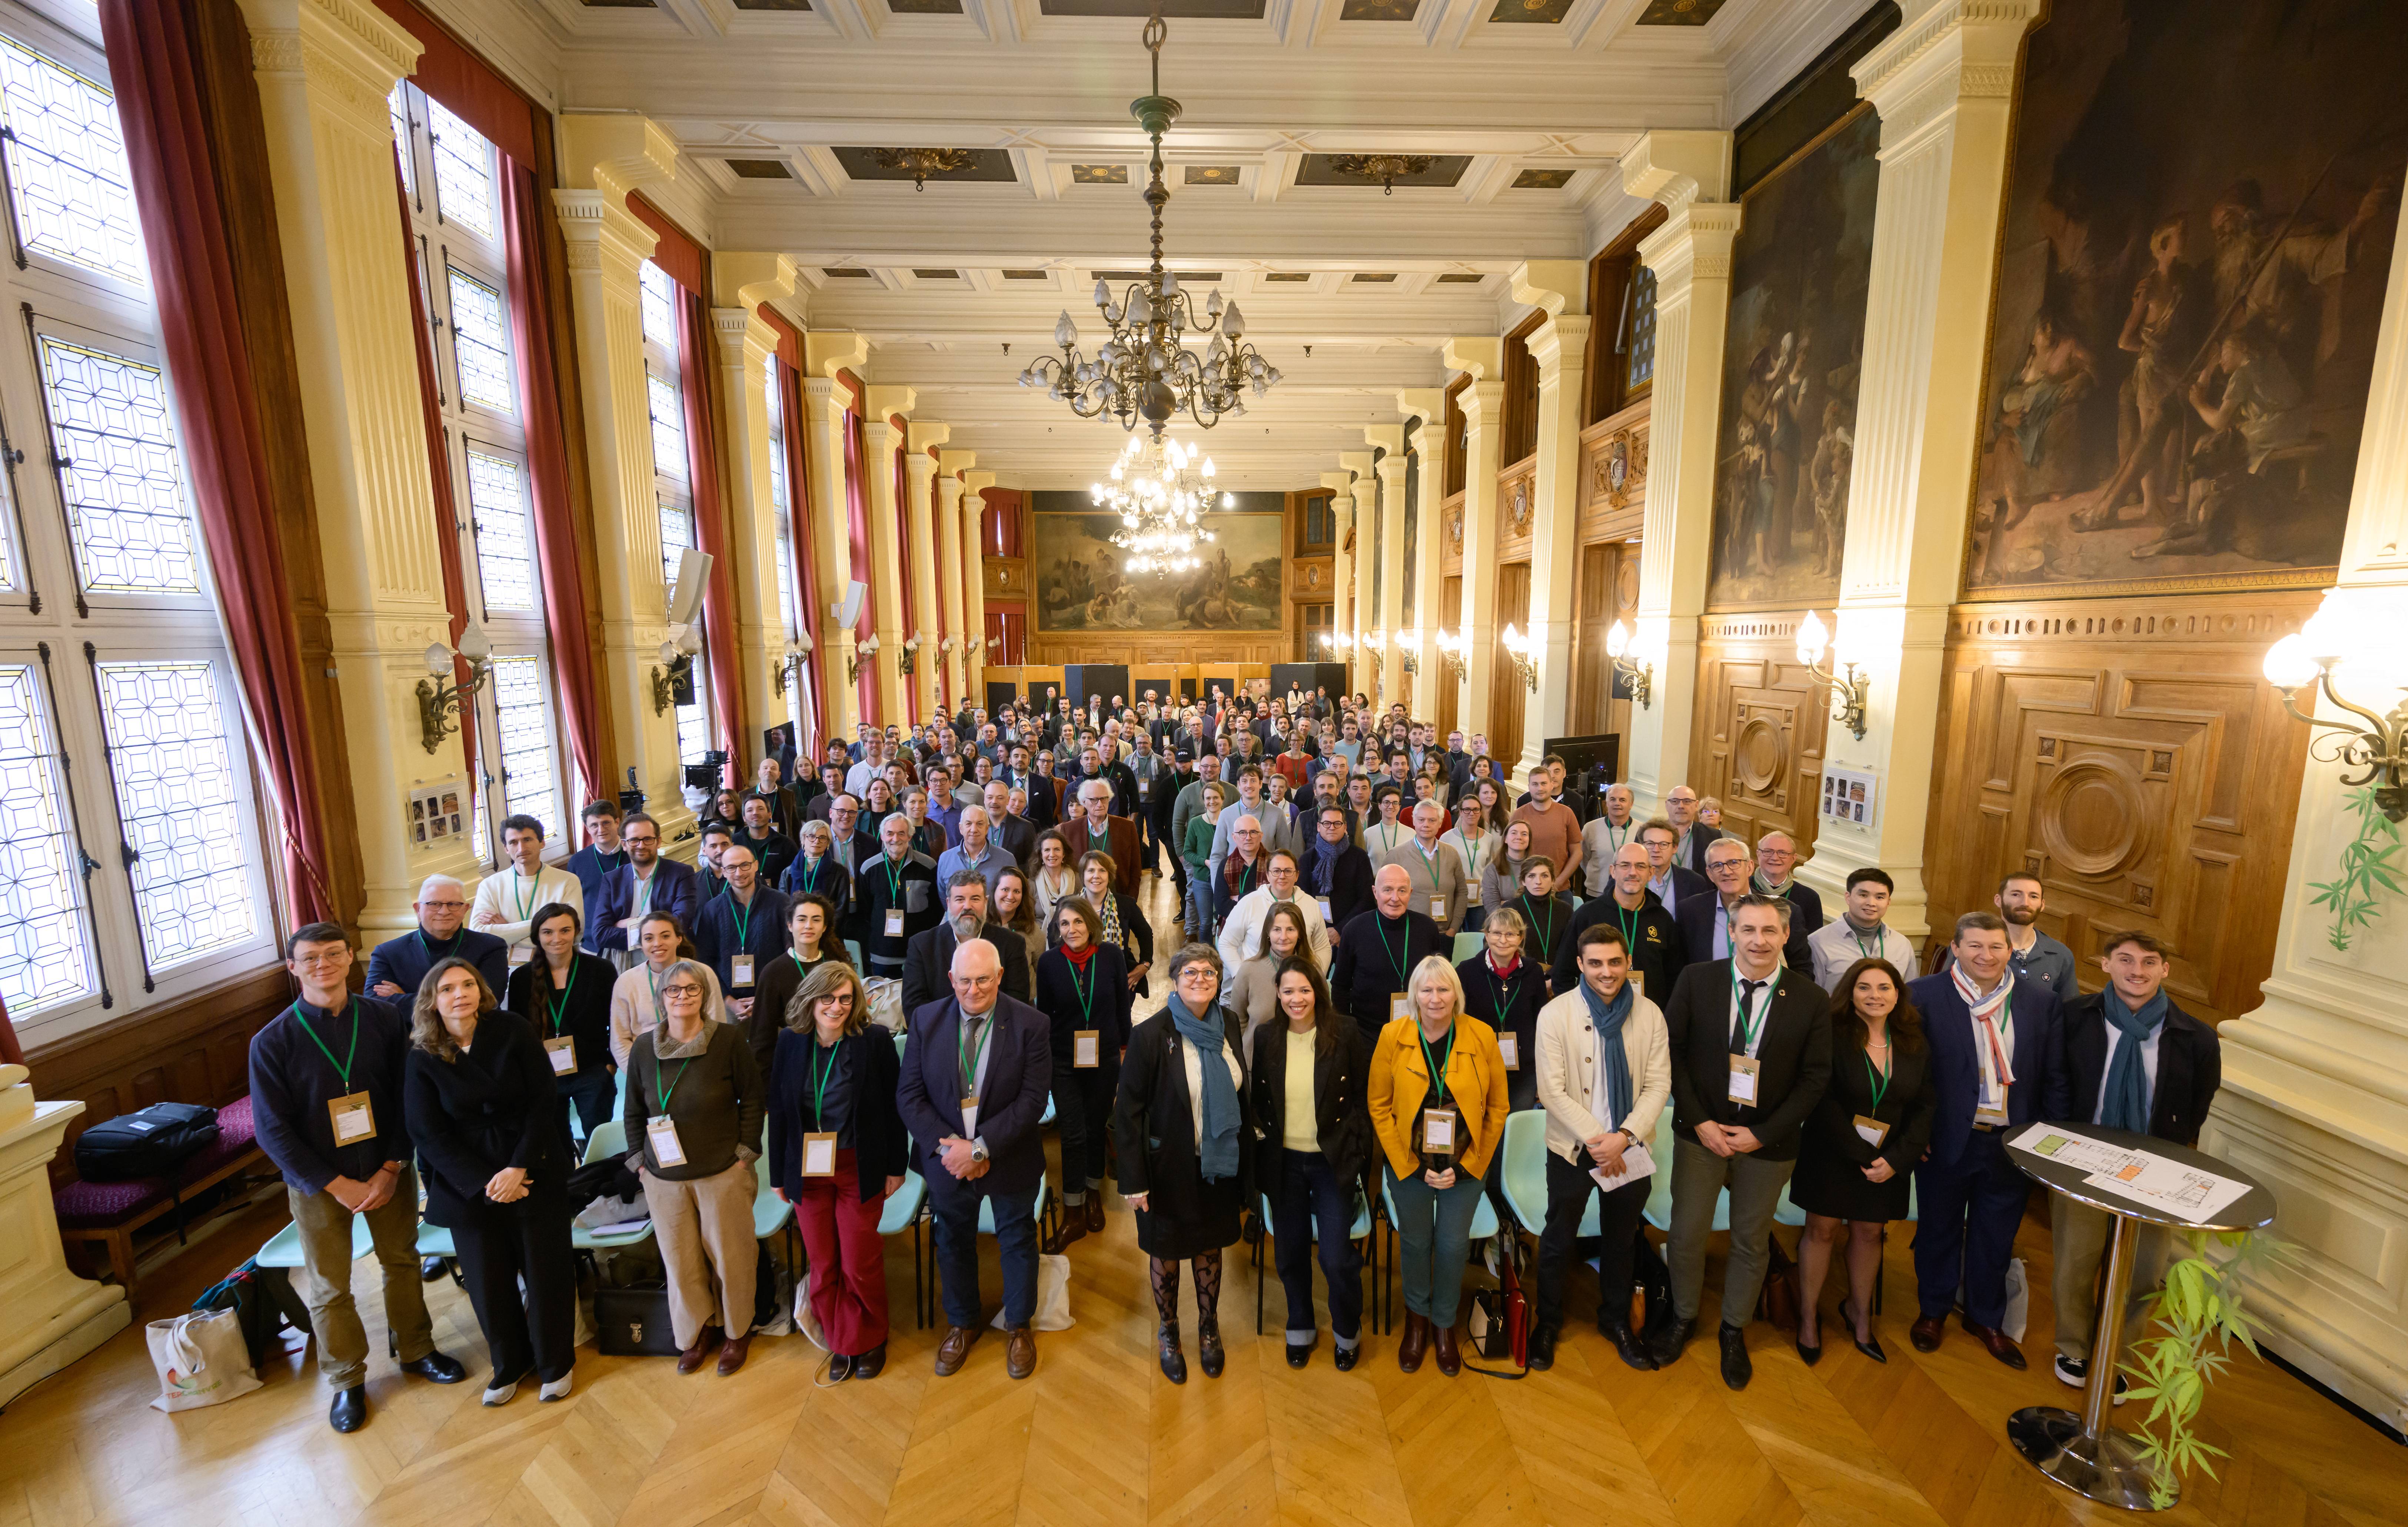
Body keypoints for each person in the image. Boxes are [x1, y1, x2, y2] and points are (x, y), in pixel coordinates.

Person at [252, 924, 466, 1431]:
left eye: (333, 954)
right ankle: (347, 1380)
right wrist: (334, 1183)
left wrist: (392, 1166)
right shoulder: (272, 1041)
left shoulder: (385, 1020)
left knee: (403, 1261)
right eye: (310, 958)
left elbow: (408, 1096)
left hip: (385, 1169)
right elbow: (272, 1131)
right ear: (293, 967)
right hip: (319, 1184)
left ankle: (416, 1349)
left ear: (351, 958)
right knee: (330, 1286)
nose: (322, 965)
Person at [1654, 894, 1832, 1389]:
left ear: (1786, 935)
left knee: (1751, 1240)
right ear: (1732, 932)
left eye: (1770, 931)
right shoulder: (1697, 979)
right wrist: (1701, 1121)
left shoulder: (1810, 999)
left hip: (1769, 1143)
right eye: (1748, 930)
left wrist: (1762, 1133)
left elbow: (1815, 1079)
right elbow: (1673, 1053)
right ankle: (1684, 1316)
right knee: (1687, 1231)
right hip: (1700, 1133)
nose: (1759, 940)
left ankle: (1734, 1329)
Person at [2049, 929, 2219, 1395]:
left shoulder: (2195, 1036)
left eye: (2148, 962)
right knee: (2075, 1259)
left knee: (2144, 1269)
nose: (2136, 971)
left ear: (2164, 970)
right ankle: (2074, 1346)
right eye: (2125, 960)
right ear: (2105, 965)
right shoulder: (2073, 1019)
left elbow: (2196, 1105)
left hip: (2156, 1168)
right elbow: (2056, 1082)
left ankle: (2118, 1353)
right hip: (2083, 1157)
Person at [404, 957, 576, 1405]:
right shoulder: (423, 1053)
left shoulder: (512, 1028)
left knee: (546, 1271)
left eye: (468, 984)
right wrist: (487, 1182)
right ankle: (510, 1363)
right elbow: (428, 1133)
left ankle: (556, 1363)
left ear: (481, 991)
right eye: (447, 988)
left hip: (531, 1162)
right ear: (432, 1000)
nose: (459, 994)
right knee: (487, 1279)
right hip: (468, 1178)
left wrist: (518, 1168)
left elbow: (544, 1100)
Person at [1906, 912, 2068, 1369]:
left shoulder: (2039, 1001)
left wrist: (2046, 1142)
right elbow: (1911, 1074)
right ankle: (1933, 1310)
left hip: (2011, 1143)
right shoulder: (1924, 996)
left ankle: (1985, 1318)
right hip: (1945, 1140)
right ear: (1955, 948)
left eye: (1995, 947)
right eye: (1974, 946)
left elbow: (2054, 1077)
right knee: (1937, 1229)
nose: (1985, 955)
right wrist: (1914, 1133)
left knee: (1995, 1237)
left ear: (2009, 952)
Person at [897, 939, 1050, 1379]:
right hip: (947, 1158)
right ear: (951, 980)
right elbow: (909, 1095)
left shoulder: (1031, 1024)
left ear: (999, 976)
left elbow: (1033, 1100)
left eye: (983, 979)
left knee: (1017, 1238)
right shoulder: (925, 1020)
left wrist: (981, 1148)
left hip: (1008, 1154)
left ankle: (1019, 1325)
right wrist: (952, 1150)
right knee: (952, 1240)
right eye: (964, 980)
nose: (973, 989)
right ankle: (962, 1323)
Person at [1529, 924, 1672, 1371]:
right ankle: (1547, 1322)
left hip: (1629, 1149)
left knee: (1622, 1239)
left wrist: (1624, 1137)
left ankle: (1615, 1320)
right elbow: (1551, 1092)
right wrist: (1599, 1139)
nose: (1606, 971)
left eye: (1614, 961)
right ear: (1579, 964)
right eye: (1595, 962)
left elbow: (1658, 1084)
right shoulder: (1554, 1014)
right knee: (1557, 1238)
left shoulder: (1649, 1014)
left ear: (1627, 961)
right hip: (1573, 1149)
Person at [1114, 943, 1254, 1383]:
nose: (1200, 979)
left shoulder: (1228, 1022)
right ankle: (1169, 1329)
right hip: (1166, 1167)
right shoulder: (1152, 1034)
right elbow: (1128, 1111)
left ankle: (1208, 1325)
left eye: (1209, 972)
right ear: (1174, 980)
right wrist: (1134, 1181)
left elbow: (1240, 1092)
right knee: (1168, 1252)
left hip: (1216, 1164)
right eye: (1190, 972)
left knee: (1209, 1245)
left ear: (1218, 979)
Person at [623, 957, 766, 1377]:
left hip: (722, 1171)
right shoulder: (643, 1048)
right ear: (661, 997)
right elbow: (633, 1108)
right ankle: (697, 1332)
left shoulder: (727, 1039)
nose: (682, 996)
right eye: (674, 990)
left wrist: (745, 1156)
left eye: (692, 989)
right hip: (663, 1178)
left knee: (732, 1258)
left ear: (704, 996)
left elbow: (753, 1100)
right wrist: (638, 1162)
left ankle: (738, 1331)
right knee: (680, 1261)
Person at [767, 962, 908, 1382]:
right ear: (810, 1000)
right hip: (807, 1170)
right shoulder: (790, 1044)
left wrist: (895, 1167)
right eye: (827, 998)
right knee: (824, 1260)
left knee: (859, 1259)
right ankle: (841, 1339)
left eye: (845, 998)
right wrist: (778, 1174)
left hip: (857, 1166)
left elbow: (892, 1110)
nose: (837, 1006)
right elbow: (779, 1113)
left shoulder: (875, 1041)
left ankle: (870, 1338)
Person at [1790, 958, 1934, 1367]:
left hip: (1888, 1159)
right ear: (1849, 992)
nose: (1875, 995)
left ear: (1898, 993)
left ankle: (1859, 1316)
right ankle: (1807, 1319)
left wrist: (1895, 1159)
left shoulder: (1912, 1039)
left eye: (1884, 987)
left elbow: (1924, 1104)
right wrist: (1864, 1155)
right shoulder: (1831, 1035)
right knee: (1821, 1230)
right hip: (1831, 1151)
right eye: (1864, 987)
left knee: (1870, 1233)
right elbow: (1821, 1099)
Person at [1369, 955, 1509, 1376]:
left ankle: (1444, 1325)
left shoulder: (1481, 1034)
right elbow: (1379, 1105)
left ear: (1456, 994)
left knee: (1450, 1246)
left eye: (1443, 989)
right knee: (1415, 1244)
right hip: (1409, 1165)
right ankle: (1417, 1320)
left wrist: (1470, 1165)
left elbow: (1498, 1107)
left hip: (1465, 1166)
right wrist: (1407, 1164)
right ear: (1414, 995)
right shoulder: (1393, 1034)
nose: (1435, 998)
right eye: (1426, 990)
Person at [1249, 957, 1371, 1369]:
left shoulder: (1346, 1033)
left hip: (1331, 1162)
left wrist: (1356, 1154)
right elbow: (1259, 1103)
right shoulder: (1267, 1037)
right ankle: (1300, 1324)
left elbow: (1362, 1099)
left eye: (1304, 989)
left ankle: (1346, 1330)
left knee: (1336, 1257)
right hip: (1284, 1164)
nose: (1296, 998)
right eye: (1287, 991)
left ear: (1318, 990)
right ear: (1278, 995)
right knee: (1289, 1252)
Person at [1034, 896, 1134, 1251]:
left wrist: (1126, 1051)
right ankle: (1073, 1212)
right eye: (1064, 924)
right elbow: (1044, 1016)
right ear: (1057, 929)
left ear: (1090, 923)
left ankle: (1093, 1194)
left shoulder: (1111, 957)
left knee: (1095, 1128)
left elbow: (1123, 1006)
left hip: (1105, 1056)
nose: (1071, 930)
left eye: (1078, 922)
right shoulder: (1048, 963)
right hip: (1063, 1059)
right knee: (1073, 1133)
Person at [504, 904, 618, 1144]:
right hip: (543, 1075)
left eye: (565, 930)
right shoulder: (521, 978)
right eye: (548, 932)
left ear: (576, 931)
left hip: (592, 1072)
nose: (557, 939)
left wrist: (610, 1065)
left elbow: (616, 1022)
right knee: (555, 1145)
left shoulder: (601, 969)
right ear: (537, 936)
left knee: (600, 1141)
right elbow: (517, 1032)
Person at [1331, 864, 1451, 1043]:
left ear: (1410, 892)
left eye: (1402, 891)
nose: (1395, 898)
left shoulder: (1427, 928)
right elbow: (1340, 987)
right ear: (1375, 892)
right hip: (1367, 1033)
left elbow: (1439, 981)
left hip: (1419, 1029)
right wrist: (1349, 1030)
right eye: (1388, 890)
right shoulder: (1355, 929)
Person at [1560, 842, 1686, 1002]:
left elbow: (1675, 978)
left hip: (1649, 1020)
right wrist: (1579, 1014)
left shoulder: (1663, 919)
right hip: (1595, 1020)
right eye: (1625, 865)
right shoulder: (1587, 915)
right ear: (1613, 871)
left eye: (1641, 866)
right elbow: (1563, 975)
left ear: (1651, 873)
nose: (1633, 872)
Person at [1928, 870, 2082, 1002]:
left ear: (2042, 905)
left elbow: (2070, 1010)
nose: (2025, 903)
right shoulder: (1970, 947)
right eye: (2016, 894)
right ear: (1998, 900)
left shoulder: (2060, 954)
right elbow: (1945, 994)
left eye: (2033, 897)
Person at [746, 892, 851, 1078]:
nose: (809, 926)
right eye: (802, 919)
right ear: (790, 925)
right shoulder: (773, 972)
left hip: (839, 1057)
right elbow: (762, 1039)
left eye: (816, 920)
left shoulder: (838, 964)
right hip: (795, 1061)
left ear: (825, 927)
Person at [1458, 906, 1548, 1112]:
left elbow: (1542, 1023)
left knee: (1514, 1127)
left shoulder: (1533, 971)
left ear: (1521, 937)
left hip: (1524, 1069)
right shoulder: (1466, 970)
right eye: (1497, 933)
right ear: (1487, 934)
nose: (1503, 940)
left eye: (1510, 934)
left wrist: (1543, 1075)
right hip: (1478, 1064)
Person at [903, 870, 1034, 1012]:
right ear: (948, 903)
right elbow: (914, 1007)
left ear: (986, 902)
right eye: (960, 899)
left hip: (995, 1031)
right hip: (940, 1032)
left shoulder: (1012, 944)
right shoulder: (922, 946)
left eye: (975, 899)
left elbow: (1017, 1003)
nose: (967, 906)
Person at [1680, 836, 1813, 976]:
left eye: (1734, 863)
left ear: (1749, 867)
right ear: (1710, 874)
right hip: (1709, 995)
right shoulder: (1691, 910)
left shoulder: (1786, 912)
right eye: (1717, 866)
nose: (1727, 871)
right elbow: (1681, 968)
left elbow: (1802, 971)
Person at [692, 845, 789, 1036]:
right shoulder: (712, 910)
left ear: (756, 866)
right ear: (724, 871)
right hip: (728, 1005)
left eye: (745, 865)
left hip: (773, 1002)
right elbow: (705, 961)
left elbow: (789, 954)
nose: (739, 873)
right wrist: (729, 1001)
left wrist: (764, 998)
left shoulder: (781, 903)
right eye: (731, 868)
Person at [608, 911, 726, 1065]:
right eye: (649, 938)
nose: (657, 944)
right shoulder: (626, 982)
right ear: (641, 945)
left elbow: (718, 1026)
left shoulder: (703, 973)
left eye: (665, 936)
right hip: (648, 1068)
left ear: (679, 939)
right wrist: (640, 1075)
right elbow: (620, 1040)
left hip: (698, 1063)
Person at [366, 875, 509, 999]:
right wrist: (458, 1001)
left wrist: (405, 998)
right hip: (410, 1032)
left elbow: (489, 999)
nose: (444, 912)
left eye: (453, 904)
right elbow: (377, 1003)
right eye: (434, 904)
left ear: (465, 910)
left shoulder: (491, 947)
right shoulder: (388, 953)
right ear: (418, 910)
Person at [472, 815, 583, 966]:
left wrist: (507, 929)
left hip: (557, 966)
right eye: (513, 842)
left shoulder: (568, 881)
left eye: (527, 840)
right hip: (507, 971)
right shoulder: (490, 885)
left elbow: (575, 934)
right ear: (506, 848)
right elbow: (480, 938)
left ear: (542, 842)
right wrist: (544, 926)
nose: (522, 848)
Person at [591, 814, 701, 961]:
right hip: (625, 962)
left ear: (659, 842)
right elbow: (600, 935)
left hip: (671, 959)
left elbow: (680, 924)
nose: (641, 846)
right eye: (634, 840)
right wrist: (657, 932)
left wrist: (627, 924)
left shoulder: (681, 874)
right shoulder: (612, 879)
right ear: (624, 845)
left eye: (648, 839)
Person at [855, 812, 941, 978]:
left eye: (901, 833)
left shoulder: (928, 866)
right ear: (882, 836)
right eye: (890, 833)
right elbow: (864, 911)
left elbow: (936, 910)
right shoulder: (869, 868)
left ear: (910, 836)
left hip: (918, 951)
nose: (896, 839)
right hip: (882, 953)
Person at [1222, 900, 1314, 1049]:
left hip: (1302, 1058)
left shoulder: (1313, 970)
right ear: (1268, 933)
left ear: (1300, 934)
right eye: (1277, 930)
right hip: (1255, 1065)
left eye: (1291, 929)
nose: (1283, 937)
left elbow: (1323, 1017)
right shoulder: (1248, 970)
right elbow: (1237, 1022)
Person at [1807, 867, 1917, 991]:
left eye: (1880, 897)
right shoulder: (1818, 942)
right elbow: (1814, 996)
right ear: (1848, 897)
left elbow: (1908, 994)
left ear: (1888, 902)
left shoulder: (1901, 944)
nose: (1872, 903)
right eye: (1863, 895)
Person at [1374, 799, 1471, 935]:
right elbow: (1382, 895)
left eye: (1432, 820)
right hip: (1409, 934)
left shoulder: (1452, 854)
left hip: (1445, 934)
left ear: (1440, 823)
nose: (1426, 825)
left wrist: (1454, 929)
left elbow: (1462, 892)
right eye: (1421, 820)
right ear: (1414, 821)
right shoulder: (1396, 855)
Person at [1078, 850, 1153, 995]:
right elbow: (1054, 935)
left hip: (1118, 980)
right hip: (1079, 980)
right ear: (1083, 875)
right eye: (1091, 871)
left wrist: (1145, 964)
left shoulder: (1125, 904)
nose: (1096, 876)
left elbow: (1145, 933)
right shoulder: (1071, 906)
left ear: (1109, 875)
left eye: (1102, 871)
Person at [1303, 803, 1375, 939]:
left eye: (1337, 823)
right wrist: (1321, 931)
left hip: (1352, 932)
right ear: (1319, 827)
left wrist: (1340, 930)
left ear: (1345, 827)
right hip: (1315, 933)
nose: (1332, 827)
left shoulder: (1360, 857)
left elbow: (1367, 900)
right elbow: (1302, 899)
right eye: (1327, 823)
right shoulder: (1307, 859)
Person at [1067, 779, 1145, 898]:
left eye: (1104, 799)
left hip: (1119, 899)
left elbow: (1136, 869)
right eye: (1094, 800)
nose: (1100, 804)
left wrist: (1131, 899)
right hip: (1082, 904)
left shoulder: (1127, 827)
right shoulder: (1070, 830)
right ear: (1084, 802)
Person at [1503, 855, 1575, 982]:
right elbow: (1502, 950)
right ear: (1524, 881)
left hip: (1558, 979)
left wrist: (1553, 980)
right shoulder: (1511, 909)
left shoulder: (1565, 910)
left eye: (1545, 876)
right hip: (1521, 978)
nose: (1538, 882)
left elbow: (1570, 951)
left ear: (1553, 880)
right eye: (1532, 876)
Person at [1509, 763, 1582, 879]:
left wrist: (1558, 883)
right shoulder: (1519, 814)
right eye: (1535, 784)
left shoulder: (1567, 813)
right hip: (1527, 885)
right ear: (1529, 787)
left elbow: (1577, 853)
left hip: (1560, 886)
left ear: (1551, 785)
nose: (1540, 788)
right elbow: (1510, 851)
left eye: (1544, 784)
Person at [1751, 831, 1823, 942]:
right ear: (1758, 854)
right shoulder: (1743, 889)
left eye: (1783, 853)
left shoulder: (1810, 898)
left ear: (1794, 859)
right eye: (1768, 852)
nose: (1775, 858)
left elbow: (1813, 943)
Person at [1637, 817, 1712, 917]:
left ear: (1675, 848)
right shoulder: (1628, 877)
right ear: (1642, 846)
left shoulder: (1694, 882)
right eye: (1650, 844)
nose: (1656, 850)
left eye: (1663, 844)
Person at [779, 819, 855, 915]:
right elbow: (783, 906)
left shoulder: (839, 872)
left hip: (828, 927)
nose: (817, 841)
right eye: (811, 836)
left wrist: (825, 928)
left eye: (822, 838)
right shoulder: (788, 873)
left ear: (828, 843)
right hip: (796, 927)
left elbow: (841, 909)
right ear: (803, 840)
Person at [562, 800, 628, 912]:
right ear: (587, 829)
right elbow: (574, 903)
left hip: (629, 925)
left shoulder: (634, 853)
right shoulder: (577, 862)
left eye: (606, 823)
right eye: (594, 825)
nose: (601, 830)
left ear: (617, 822)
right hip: (593, 928)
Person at [1580, 784, 1640, 897]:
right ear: (1607, 803)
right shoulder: (1591, 828)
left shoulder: (1642, 830)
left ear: (1631, 804)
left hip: (1630, 894)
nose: (1617, 803)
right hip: (1596, 894)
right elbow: (1584, 859)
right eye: (1613, 799)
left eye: (1623, 800)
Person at [735, 794, 798, 887]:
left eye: (760, 809)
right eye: (750, 810)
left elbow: (795, 877)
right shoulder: (735, 843)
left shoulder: (786, 844)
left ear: (770, 814)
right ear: (744, 818)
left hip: (778, 898)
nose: (755, 813)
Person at [1479, 820, 1535, 917]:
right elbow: (1492, 907)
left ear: (1529, 840)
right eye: (1514, 833)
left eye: (1524, 834)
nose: (1519, 837)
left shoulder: (1537, 867)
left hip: (1533, 922)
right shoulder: (1492, 869)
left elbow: (1541, 902)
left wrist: (1506, 903)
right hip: (1502, 925)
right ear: (1505, 839)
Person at [1662, 786, 1724, 873]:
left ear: (1696, 806)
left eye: (1687, 801)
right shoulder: (1649, 834)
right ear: (1667, 805)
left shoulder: (1712, 835)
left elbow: (1719, 871)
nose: (1681, 806)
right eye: (1675, 801)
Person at [1030, 829, 1080, 932]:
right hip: (1041, 939)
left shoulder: (1077, 880)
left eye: (1057, 849)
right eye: (1047, 850)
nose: (1052, 854)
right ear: (1041, 855)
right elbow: (1028, 920)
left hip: (1071, 935)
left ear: (1064, 854)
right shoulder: (1031, 884)